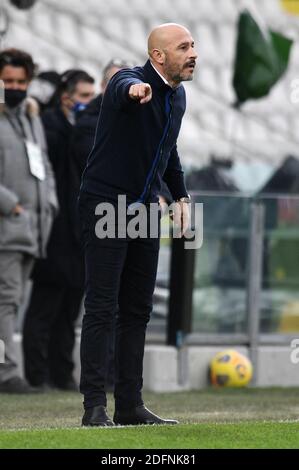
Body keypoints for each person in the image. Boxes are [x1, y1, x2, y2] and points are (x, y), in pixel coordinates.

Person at [79, 23, 197, 426]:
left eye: (194, 45)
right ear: (159, 56)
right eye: (184, 47)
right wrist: (133, 89)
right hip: (106, 203)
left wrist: (180, 195)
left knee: (137, 310)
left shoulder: (177, 97)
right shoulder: (135, 82)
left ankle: (129, 404)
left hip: (146, 209)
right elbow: (119, 84)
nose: (194, 52)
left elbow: (170, 152)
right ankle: (94, 406)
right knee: (101, 306)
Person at [22, 70, 95, 391]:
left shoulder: (84, 130)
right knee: (45, 307)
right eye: (83, 96)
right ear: (66, 97)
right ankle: (37, 375)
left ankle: (62, 373)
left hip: (78, 233)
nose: (88, 103)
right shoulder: (48, 127)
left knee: (69, 311)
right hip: (54, 232)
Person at [70, 60, 131, 391]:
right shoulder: (88, 123)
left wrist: (165, 194)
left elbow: (162, 156)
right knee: (100, 305)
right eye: (116, 83)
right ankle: (94, 390)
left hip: (135, 218)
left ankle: (121, 385)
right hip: (103, 216)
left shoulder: (144, 117)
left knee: (130, 308)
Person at [0, 48, 58, 393]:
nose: (15, 87)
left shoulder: (32, 117)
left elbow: (45, 164)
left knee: (13, 301)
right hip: (7, 226)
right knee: (5, 301)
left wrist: (48, 202)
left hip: (33, 228)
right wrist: (12, 206)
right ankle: (7, 373)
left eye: (21, 81)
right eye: (8, 80)